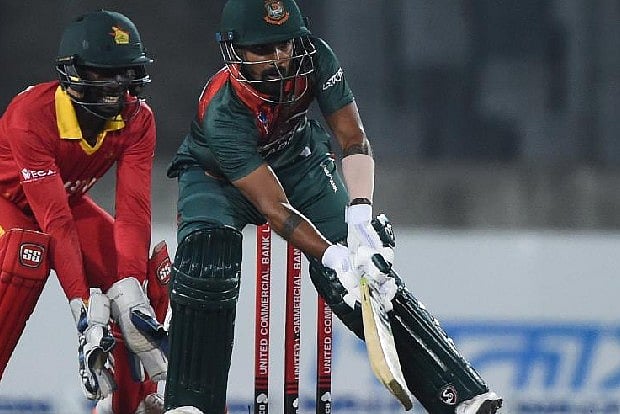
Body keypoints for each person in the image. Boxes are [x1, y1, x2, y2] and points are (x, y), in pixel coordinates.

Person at [164, 1, 502, 414]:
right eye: (263, 50)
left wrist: (359, 220)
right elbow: (274, 207)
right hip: (216, 178)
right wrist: (331, 255)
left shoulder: (317, 58)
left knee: (368, 275)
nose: (279, 59)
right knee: (208, 259)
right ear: (235, 52)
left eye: (285, 45)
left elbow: (353, 138)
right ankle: (190, 405)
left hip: (297, 158)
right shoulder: (222, 111)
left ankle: (460, 395)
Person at [0, 10, 169, 414]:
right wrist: (82, 307)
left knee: (143, 286)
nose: (115, 87)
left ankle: (131, 405)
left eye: (124, 74)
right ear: (72, 73)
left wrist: (129, 288)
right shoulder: (31, 115)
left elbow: (133, 211)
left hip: (65, 202)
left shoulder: (138, 119)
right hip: (9, 202)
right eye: (102, 74)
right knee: (26, 257)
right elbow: (53, 220)